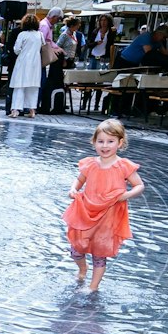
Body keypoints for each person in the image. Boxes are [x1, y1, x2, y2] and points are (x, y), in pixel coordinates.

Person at [63, 118, 143, 292]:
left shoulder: (123, 166)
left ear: (120, 143)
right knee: (76, 249)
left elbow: (139, 185)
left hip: (108, 216)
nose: (105, 146)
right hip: (87, 211)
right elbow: (80, 179)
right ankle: (82, 269)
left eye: (110, 141)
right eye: (100, 141)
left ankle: (93, 286)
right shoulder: (90, 164)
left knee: (99, 253)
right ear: (94, 142)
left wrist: (126, 195)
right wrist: (73, 189)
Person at [8, 16, 44, 117]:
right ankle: (32, 110)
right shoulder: (40, 35)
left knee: (19, 85)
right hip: (35, 63)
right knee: (33, 86)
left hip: (23, 61)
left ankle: (15, 110)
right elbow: (42, 46)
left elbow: (16, 50)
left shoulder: (22, 34)